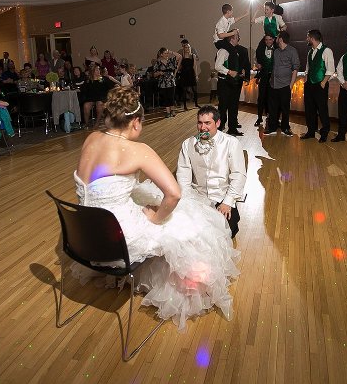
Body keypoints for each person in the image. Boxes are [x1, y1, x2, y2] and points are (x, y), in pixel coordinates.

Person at [71, 87, 239, 331]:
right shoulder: (138, 150)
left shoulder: (91, 139)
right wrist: (157, 217)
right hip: (117, 240)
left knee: (148, 199)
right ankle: (189, 285)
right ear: (135, 122)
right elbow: (175, 194)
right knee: (188, 223)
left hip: (84, 234)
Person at [177, 105, 246, 239]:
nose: (203, 127)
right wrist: (187, 201)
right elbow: (183, 176)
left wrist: (227, 202)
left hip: (222, 199)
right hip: (197, 199)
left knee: (224, 233)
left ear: (218, 123)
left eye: (208, 123)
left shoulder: (231, 143)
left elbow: (239, 175)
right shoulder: (187, 144)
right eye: (200, 123)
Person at [301, 29, 335, 143]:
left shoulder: (327, 50)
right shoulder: (310, 52)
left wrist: (323, 82)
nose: (306, 39)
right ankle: (311, 131)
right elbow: (307, 68)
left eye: (307, 37)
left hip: (320, 85)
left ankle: (324, 133)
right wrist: (306, 80)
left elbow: (331, 69)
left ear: (312, 38)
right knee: (309, 109)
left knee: (322, 110)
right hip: (309, 84)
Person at [264, 31, 299, 136]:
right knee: (272, 108)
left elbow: (295, 69)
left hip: (285, 85)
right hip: (273, 84)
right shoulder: (276, 51)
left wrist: (291, 85)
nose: (275, 39)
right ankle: (272, 127)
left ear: (281, 39)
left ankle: (285, 128)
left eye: (277, 37)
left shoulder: (292, 51)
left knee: (285, 109)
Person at [214, 32, 244, 136]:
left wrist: (240, 72)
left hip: (233, 83)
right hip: (224, 83)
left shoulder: (234, 50)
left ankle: (232, 129)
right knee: (223, 107)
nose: (238, 39)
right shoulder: (223, 50)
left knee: (233, 106)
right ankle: (219, 128)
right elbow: (217, 66)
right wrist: (229, 72)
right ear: (231, 39)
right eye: (237, 37)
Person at [253, 33, 275, 126]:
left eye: (270, 39)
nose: (268, 41)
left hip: (274, 77)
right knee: (261, 97)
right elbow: (255, 60)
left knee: (271, 98)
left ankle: (270, 117)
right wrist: (257, 64)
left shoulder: (277, 49)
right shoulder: (260, 49)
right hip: (264, 76)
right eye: (266, 40)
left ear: (273, 40)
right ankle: (259, 118)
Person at [153, 47, 179, 118]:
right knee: (166, 98)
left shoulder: (171, 60)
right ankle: (168, 112)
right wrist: (159, 73)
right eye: (165, 53)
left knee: (171, 97)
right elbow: (154, 74)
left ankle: (172, 110)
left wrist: (170, 51)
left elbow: (179, 56)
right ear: (161, 54)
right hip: (163, 83)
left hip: (171, 82)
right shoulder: (158, 63)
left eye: (167, 53)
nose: (167, 54)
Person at [177, 39, 199, 109]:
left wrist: (196, 75)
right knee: (184, 90)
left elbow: (195, 66)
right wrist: (175, 73)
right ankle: (185, 106)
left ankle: (196, 104)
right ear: (184, 48)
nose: (188, 48)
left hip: (191, 73)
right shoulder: (181, 56)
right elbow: (178, 65)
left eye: (189, 47)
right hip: (184, 73)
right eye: (186, 47)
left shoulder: (193, 55)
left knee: (194, 90)